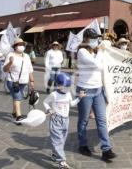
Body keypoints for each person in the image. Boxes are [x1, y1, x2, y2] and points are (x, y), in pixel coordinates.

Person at [76, 28, 116, 160]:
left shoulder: (96, 52)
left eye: (96, 38)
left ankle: (106, 149)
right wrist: (101, 50)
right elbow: (96, 65)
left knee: (102, 120)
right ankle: (82, 144)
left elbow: (105, 66)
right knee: (84, 120)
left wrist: (104, 49)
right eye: (93, 38)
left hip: (98, 89)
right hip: (85, 90)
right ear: (86, 39)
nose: (95, 40)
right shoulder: (82, 51)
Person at [43, 72, 85, 169]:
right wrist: (49, 109)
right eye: (65, 86)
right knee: (58, 141)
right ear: (58, 85)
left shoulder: (68, 94)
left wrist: (79, 98)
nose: (67, 88)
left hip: (66, 120)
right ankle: (62, 162)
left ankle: (55, 154)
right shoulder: (54, 95)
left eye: (68, 86)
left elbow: (71, 104)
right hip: (56, 119)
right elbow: (45, 102)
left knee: (61, 141)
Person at [3, 38, 35, 124]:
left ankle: (14, 112)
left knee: (17, 97)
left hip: (23, 81)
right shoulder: (10, 55)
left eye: (22, 45)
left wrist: (32, 81)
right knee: (17, 97)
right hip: (13, 81)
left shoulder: (27, 56)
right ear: (15, 46)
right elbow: (5, 69)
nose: (21, 46)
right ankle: (19, 117)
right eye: (19, 45)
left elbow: (30, 69)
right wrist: (10, 62)